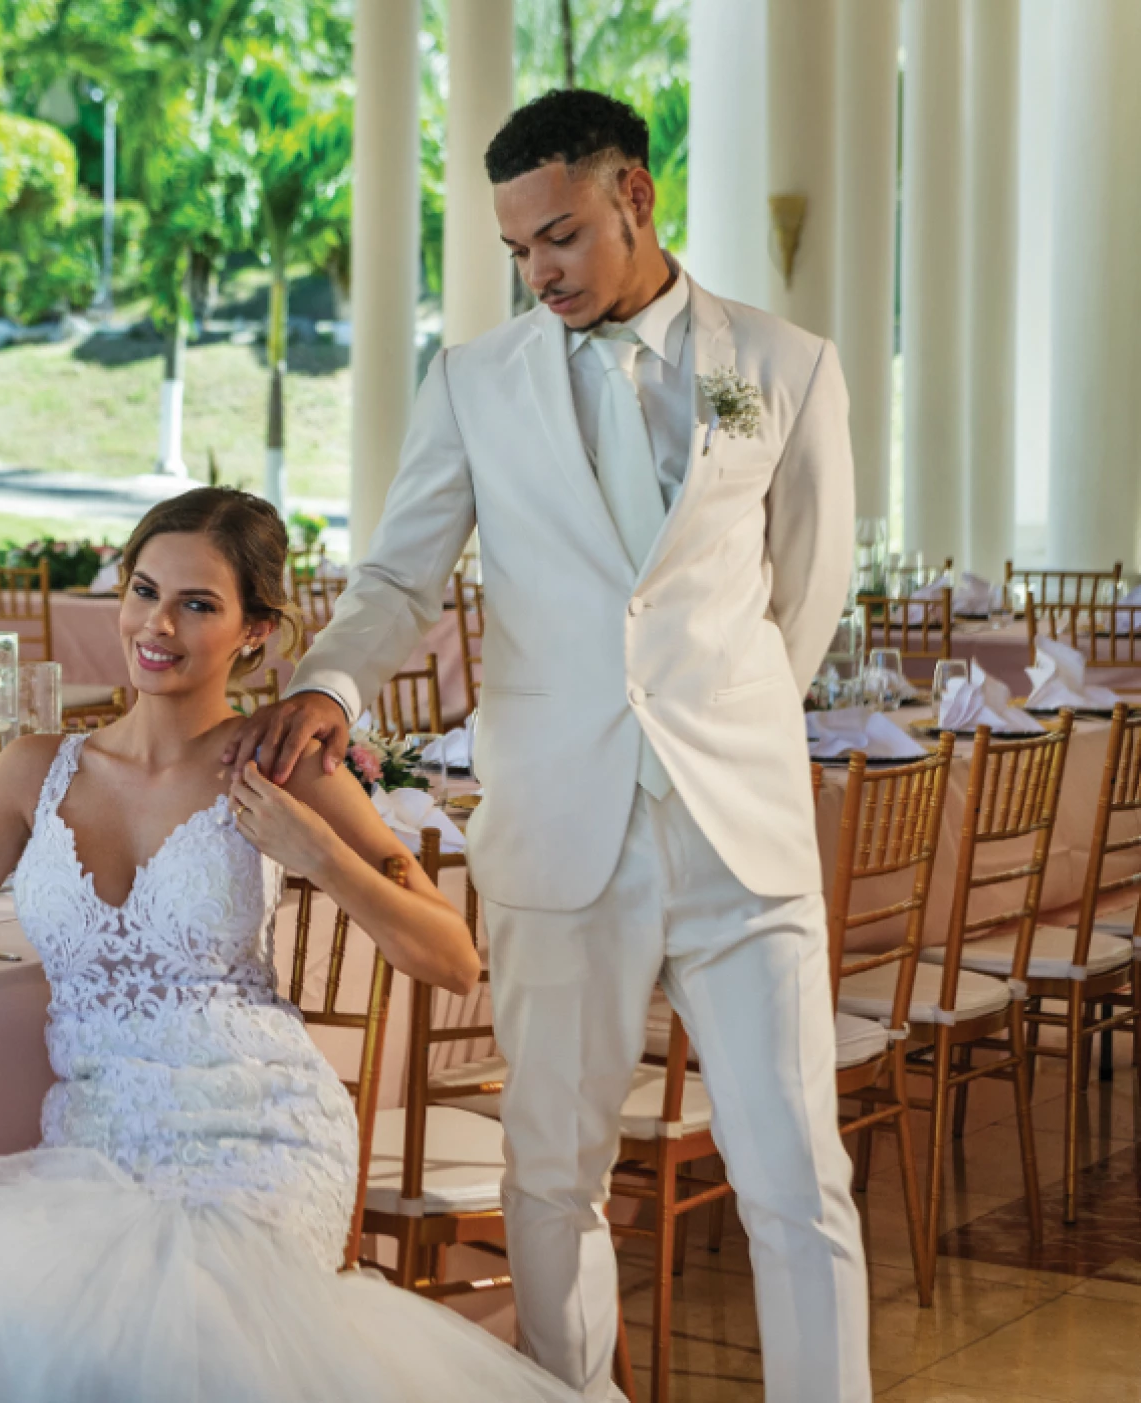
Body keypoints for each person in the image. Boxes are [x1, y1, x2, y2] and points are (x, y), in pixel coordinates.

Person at [0, 487, 579, 1402]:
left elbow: (451, 959)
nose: (158, 624)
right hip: (96, 1142)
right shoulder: (35, 769)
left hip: (259, 1132)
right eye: (144, 590)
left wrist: (318, 854)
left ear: (256, 631)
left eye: (198, 604)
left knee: (188, 1345)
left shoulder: (282, 766)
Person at [228, 88, 866, 1403]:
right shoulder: (473, 379)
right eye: (518, 249)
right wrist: (336, 686)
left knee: (797, 1179)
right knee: (550, 1172)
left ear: (635, 195)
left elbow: (804, 590)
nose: (540, 272)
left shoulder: (783, 365)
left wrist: (720, 715)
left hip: (739, 841)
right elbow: (401, 575)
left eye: (561, 235)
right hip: (555, 831)